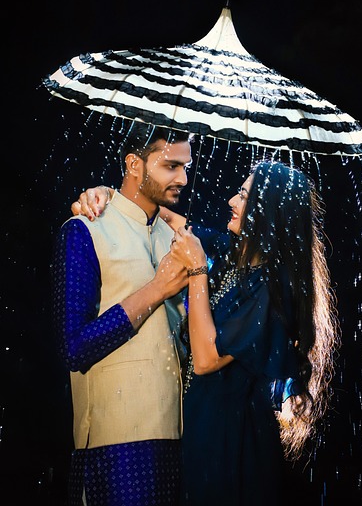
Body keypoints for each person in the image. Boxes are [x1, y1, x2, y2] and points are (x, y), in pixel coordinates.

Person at [76, 160, 339, 505]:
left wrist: (198, 270)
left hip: (230, 444)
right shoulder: (237, 258)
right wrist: (108, 196)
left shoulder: (273, 290)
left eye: (244, 196)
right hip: (203, 430)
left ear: (270, 211)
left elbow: (205, 359)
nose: (231, 201)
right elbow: (172, 221)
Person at [52, 124, 193, 506]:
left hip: (180, 441)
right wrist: (157, 289)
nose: (183, 178)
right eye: (171, 166)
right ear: (134, 164)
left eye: (186, 167)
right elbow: (74, 348)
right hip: (115, 447)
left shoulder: (176, 238)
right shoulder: (85, 229)